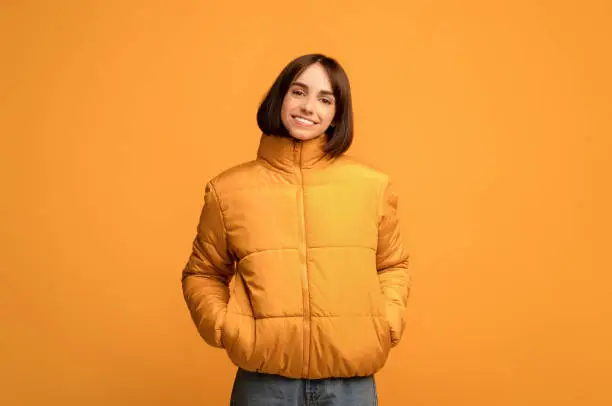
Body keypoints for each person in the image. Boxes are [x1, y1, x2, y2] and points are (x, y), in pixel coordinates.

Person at [181, 53, 411, 406]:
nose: (308, 107)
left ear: (337, 114)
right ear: (280, 98)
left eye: (324, 99)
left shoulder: (372, 187)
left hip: (351, 387)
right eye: (299, 92)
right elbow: (202, 273)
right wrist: (226, 328)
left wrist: (386, 323)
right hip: (264, 386)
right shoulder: (227, 191)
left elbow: (392, 266)